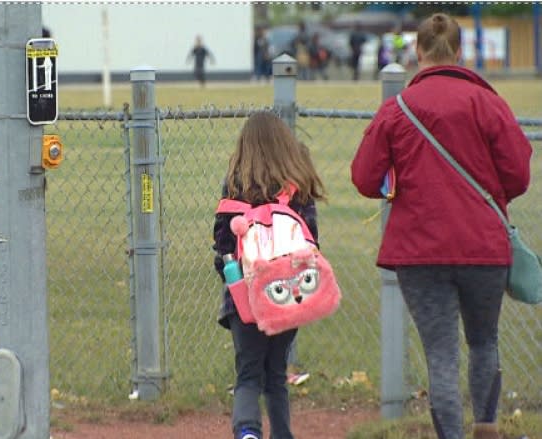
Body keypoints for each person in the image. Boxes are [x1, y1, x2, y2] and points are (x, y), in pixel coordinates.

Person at [350, 13, 532, 439]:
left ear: (417, 51)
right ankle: (486, 429)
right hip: (484, 246)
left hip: (420, 250)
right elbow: (518, 176)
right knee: (484, 342)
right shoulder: (488, 103)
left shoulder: (396, 111)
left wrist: (397, 182)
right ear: (460, 51)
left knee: (441, 354)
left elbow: (363, 177)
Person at [213, 111, 326, 439]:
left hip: (245, 299)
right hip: (288, 296)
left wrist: (234, 281)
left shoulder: (235, 184)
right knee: (276, 376)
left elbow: (222, 243)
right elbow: (312, 240)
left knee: (248, 374)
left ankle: (247, 432)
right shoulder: (297, 188)